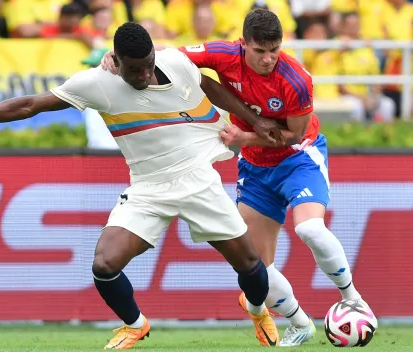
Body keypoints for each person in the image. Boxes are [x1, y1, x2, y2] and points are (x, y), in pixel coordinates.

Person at [0, 22, 281, 350]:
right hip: (148, 188)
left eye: (148, 66)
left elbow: (207, 84)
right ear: (115, 61)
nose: (144, 76)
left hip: (198, 178)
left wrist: (253, 120)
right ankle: (135, 324)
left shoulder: (175, 62)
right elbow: (30, 104)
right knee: (104, 265)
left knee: (251, 266)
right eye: (134, 70)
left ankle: (255, 309)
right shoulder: (97, 83)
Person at [98, 8, 375, 347]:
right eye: (260, 51)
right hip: (256, 168)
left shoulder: (297, 79)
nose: (268, 58)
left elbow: (295, 134)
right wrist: (119, 55)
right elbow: (169, 58)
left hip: (298, 159)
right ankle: (301, 324)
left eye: (274, 50)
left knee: (309, 228)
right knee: (257, 267)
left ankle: (353, 299)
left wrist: (245, 137)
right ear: (244, 44)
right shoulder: (223, 54)